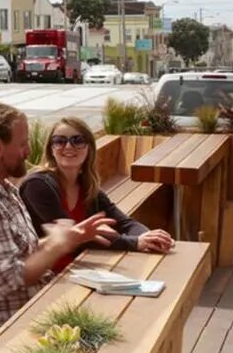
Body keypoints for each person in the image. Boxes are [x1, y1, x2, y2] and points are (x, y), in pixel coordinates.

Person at [0, 99, 115, 339]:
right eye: (23, 143)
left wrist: (69, 237)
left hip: (31, 310)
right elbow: (9, 279)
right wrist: (58, 246)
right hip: (5, 332)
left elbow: (21, 252)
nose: (28, 151)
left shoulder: (2, 187)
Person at [20, 115, 175, 273]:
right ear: (51, 149)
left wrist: (149, 237)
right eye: (60, 141)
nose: (68, 146)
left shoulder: (87, 186)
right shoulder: (38, 186)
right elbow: (74, 239)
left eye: (77, 140)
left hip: (84, 266)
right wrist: (135, 242)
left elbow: (124, 223)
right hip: (47, 276)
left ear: (89, 148)